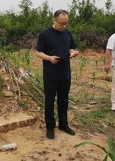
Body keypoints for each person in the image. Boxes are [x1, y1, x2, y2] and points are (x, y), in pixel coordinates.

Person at [35, 10, 79, 139]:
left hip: (65, 73)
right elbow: (38, 52)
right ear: (54, 20)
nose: (64, 26)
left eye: (66, 23)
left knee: (63, 100)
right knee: (49, 101)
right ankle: (50, 126)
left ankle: (63, 125)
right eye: (61, 23)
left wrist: (72, 53)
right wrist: (49, 58)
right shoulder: (45, 34)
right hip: (50, 74)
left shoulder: (67, 33)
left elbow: (71, 47)